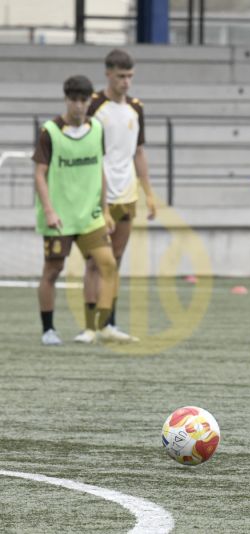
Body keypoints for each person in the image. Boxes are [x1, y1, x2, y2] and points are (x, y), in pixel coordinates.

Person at [75, 49, 156, 344]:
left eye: (130, 76)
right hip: (98, 195)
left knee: (116, 260)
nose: (127, 82)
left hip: (126, 194)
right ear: (108, 73)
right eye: (121, 76)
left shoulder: (136, 108)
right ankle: (89, 326)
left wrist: (149, 192)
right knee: (96, 262)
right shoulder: (94, 106)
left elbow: (139, 152)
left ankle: (109, 323)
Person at [33, 75, 118, 345]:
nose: (79, 106)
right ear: (66, 100)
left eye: (84, 100)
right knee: (53, 270)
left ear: (90, 100)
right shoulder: (51, 131)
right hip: (60, 217)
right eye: (74, 100)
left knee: (107, 264)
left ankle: (97, 326)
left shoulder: (97, 129)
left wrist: (105, 209)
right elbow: (39, 174)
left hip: (90, 216)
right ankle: (48, 329)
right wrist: (49, 210)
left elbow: (100, 170)